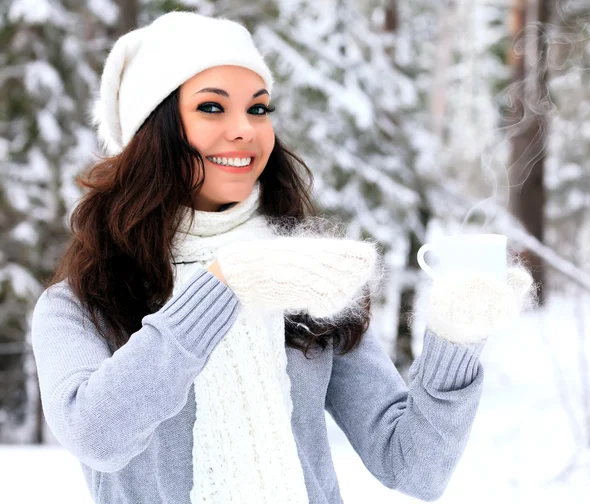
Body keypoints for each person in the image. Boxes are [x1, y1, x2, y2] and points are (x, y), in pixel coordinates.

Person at [30, 11, 533, 504]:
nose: (245, 129)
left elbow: (412, 467)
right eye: (211, 108)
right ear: (152, 131)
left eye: (258, 108)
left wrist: (455, 338)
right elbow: (98, 438)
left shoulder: (304, 282)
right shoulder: (79, 303)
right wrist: (225, 284)